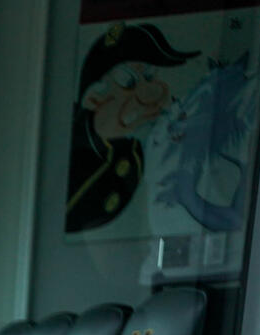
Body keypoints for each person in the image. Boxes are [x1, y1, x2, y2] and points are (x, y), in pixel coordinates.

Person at [66, 20, 198, 236]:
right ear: (94, 97)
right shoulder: (62, 145)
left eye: (150, 77)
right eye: (128, 82)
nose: (153, 94)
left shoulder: (133, 153)